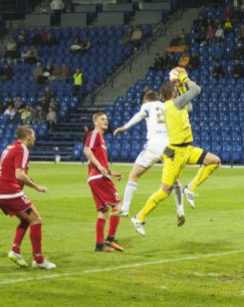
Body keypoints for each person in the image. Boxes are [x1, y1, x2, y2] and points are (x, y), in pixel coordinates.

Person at [132, 69, 221, 231]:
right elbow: (196, 90)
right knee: (164, 191)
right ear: (173, 94)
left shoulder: (174, 105)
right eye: (176, 91)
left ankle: (191, 188)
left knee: (214, 161)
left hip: (186, 149)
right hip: (174, 153)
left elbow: (190, 108)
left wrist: (179, 86)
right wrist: (184, 79)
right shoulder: (175, 104)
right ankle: (139, 217)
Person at [112, 90, 183, 221]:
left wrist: (125, 127)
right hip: (168, 145)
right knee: (175, 179)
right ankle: (180, 210)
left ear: (146, 99)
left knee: (134, 175)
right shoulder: (166, 106)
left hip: (154, 145)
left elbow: (140, 115)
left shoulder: (148, 105)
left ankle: (125, 208)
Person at [0, 125, 55, 269]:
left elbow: (13, 172)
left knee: (27, 220)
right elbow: (19, 174)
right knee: (36, 219)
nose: (34, 140)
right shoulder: (23, 149)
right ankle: (39, 260)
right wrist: (37, 187)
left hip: (0, 192)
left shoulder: (11, 147)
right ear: (28, 137)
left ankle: (15, 251)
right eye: (33, 137)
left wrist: (29, 180)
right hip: (10, 192)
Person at [85, 112, 125, 251]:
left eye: (107, 119)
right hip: (98, 176)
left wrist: (111, 173)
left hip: (95, 177)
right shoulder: (94, 134)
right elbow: (87, 150)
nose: (105, 121)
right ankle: (110, 239)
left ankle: (99, 245)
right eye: (102, 119)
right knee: (118, 206)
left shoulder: (101, 139)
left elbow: (99, 160)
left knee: (103, 211)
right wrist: (100, 166)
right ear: (95, 122)